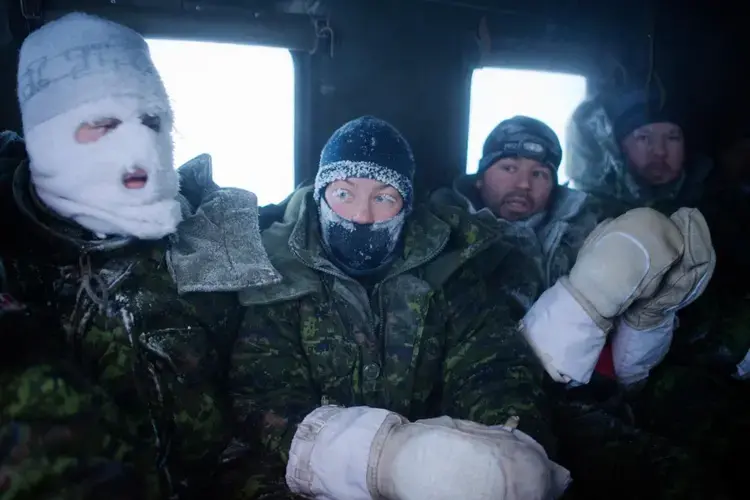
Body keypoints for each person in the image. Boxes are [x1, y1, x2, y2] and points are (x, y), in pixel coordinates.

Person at [0, 13, 280, 498]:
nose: (139, 143)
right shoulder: (11, 263)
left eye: (152, 120)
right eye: (102, 124)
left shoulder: (210, 239)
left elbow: (242, 417)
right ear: (47, 135)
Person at [229, 115, 570, 500]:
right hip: (304, 472)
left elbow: (491, 368)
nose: (361, 215)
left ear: (405, 205)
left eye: (383, 197)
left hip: (436, 474)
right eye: (344, 193)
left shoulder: (450, 271)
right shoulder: (277, 273)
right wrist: (382, 458)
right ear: (320, 195)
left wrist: (508, 448)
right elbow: (263, 398)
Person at [565, 84, 712, 219]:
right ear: (620, 148)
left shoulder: (711, 207)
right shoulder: (589, 215)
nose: (660, 151)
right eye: (643, 138)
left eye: (672, 138)